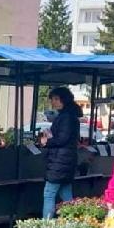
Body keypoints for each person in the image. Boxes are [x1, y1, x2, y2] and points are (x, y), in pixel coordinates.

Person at [41, 87, 82, 219]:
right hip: (67, 161)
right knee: (66, 195)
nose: (53, 102)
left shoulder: (66, 117)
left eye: (55, 99)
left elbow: (62, 139)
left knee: (49, 194)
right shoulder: (71, 116)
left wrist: (47, 141)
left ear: (62, 99)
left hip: (59, 162)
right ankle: (73, 225)